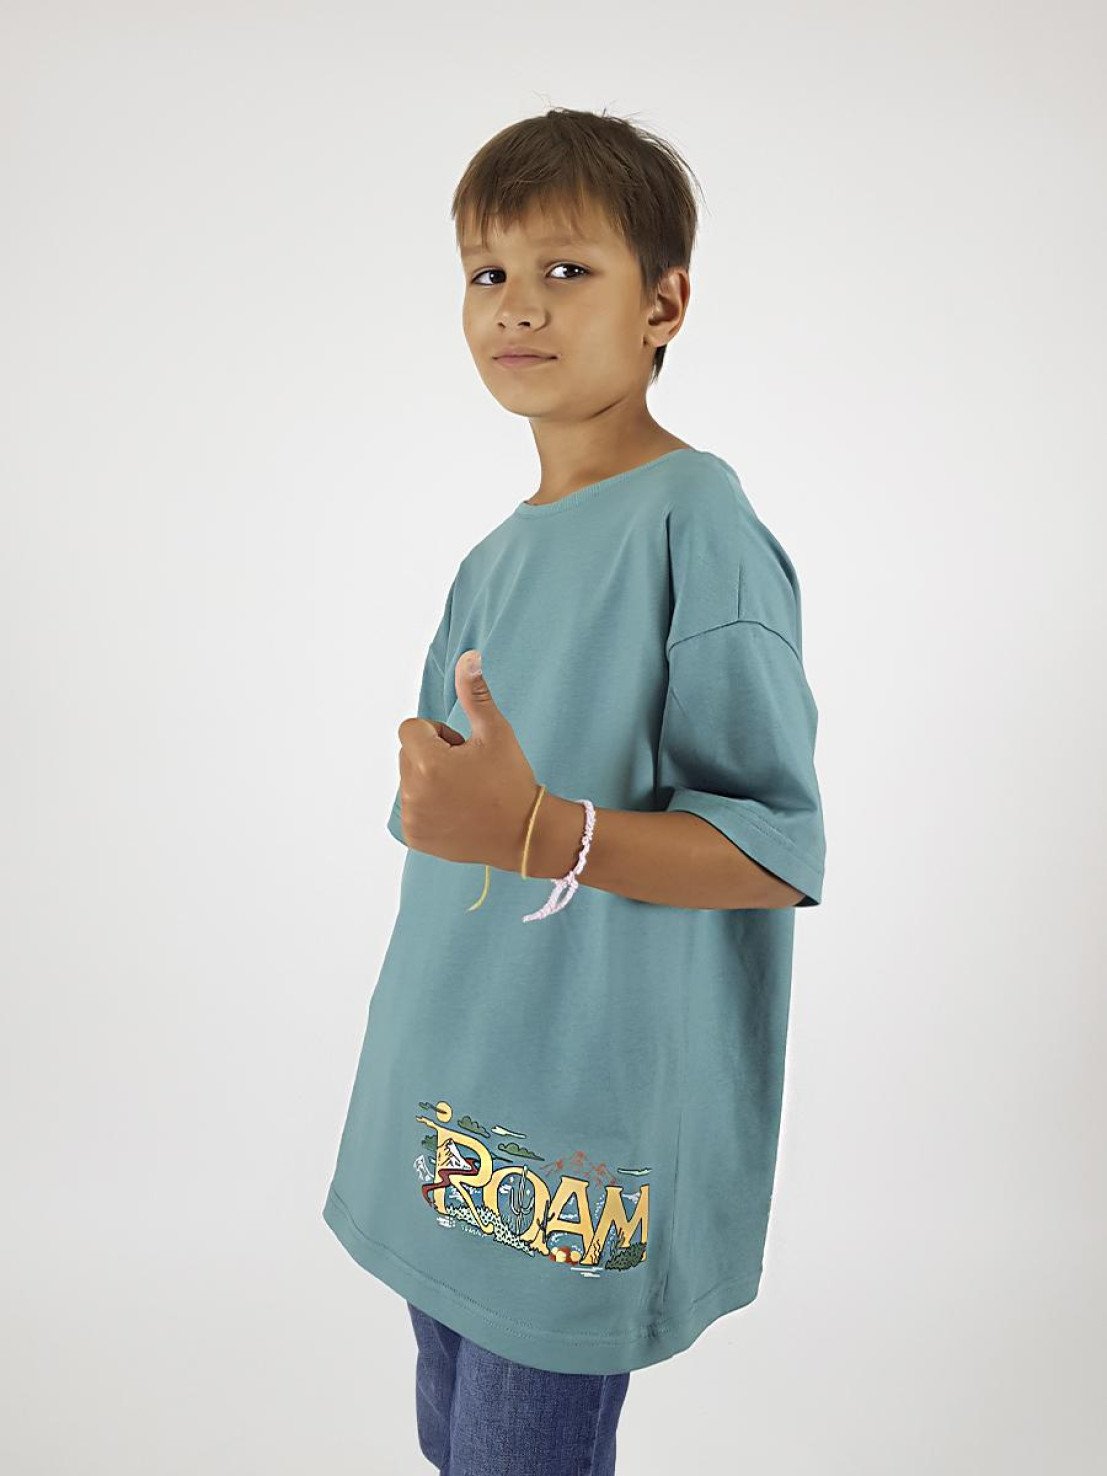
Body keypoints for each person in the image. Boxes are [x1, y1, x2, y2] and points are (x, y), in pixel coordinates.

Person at [322, 106, 827, 1475]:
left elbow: (775, 849)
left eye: (565, 269)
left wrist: (547, 829)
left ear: (663, 304)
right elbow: (449, 834)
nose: (517, 305)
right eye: (488, 272)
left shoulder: (694, 519)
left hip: (580, 1131)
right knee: (449, 1438)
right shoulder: (491, 559)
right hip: (449, 1091)